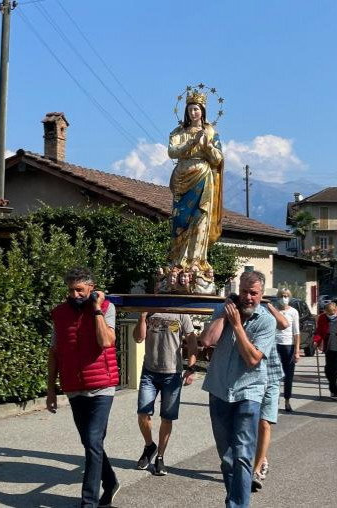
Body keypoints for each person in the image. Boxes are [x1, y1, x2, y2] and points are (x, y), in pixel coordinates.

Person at [199, 270, 277, 508]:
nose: (248, 297)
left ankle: (237, 505)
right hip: (219, 390)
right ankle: (234, 499)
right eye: (244, 292)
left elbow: (252, 359)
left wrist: (237, 326)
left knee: (242, 455)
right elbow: (207, 340)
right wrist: (225, 314)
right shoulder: (224, 311)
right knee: (227, 458)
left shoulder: (267, 320)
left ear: (261, 294)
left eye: (253, 293)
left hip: (248, 393)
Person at [47, 267, 120, 507]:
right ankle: (110, 482)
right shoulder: (59, 314)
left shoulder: (107, 308)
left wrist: (96, 308)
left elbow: (106, 341)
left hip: (102, 387)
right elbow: (54, 352)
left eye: (79, 290)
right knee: (91, 443)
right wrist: (51, 390)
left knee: (92, 440)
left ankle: (88, 503)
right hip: (74, 387)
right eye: (71, 290)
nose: (75, 295)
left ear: (91, 288)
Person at [167, 89, 225, 293]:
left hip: (202, 176)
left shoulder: (210, 132)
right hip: (182, 177)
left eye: (196, 109)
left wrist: (207, 145)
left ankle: (196, 261)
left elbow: (217, 159)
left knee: (200, 217)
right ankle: (178, 260)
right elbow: (172, 151)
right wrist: (192, 142)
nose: (193, 113)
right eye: (190, 109)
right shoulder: (178, 132)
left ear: (203, 111)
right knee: (180, 220)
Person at [133, 308, 196, 477]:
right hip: (149, 372)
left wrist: (191, 367)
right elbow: (138, 338)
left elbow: (191, 340)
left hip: (172, 373)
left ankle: (160, 457)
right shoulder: (150, 310)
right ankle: (149, 446)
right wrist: (143, 316)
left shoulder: (181, 312)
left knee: (167, 417)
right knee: (143, 413)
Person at [252, 299, 289, 492]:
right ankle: (262, 457)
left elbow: (284, 324)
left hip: (272, 374)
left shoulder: (267, 311)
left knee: (264, 423)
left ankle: (256, 470)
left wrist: (269, 306)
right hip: (251, 375)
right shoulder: (246, 311)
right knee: (251, 423)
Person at [313, 301, 337, 399]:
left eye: (332, 313)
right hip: (329, 345)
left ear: (336, 310)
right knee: (329, 370)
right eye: (328, 314)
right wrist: (316, 341)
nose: (330, 316)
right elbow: (319, 332)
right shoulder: (322, 318)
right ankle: (333, 389)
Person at [271, 289, 300, 412]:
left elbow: (296, 332)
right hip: (275, 344)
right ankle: (274, 400)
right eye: (282, 296)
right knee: (275, 375)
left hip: (289, 345)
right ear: (278, 297)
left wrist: (297, 351)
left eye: (286, 296)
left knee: (288, 375)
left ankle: (287, 400)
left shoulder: (293, 312)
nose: (284, 298)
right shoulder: (274, 310)